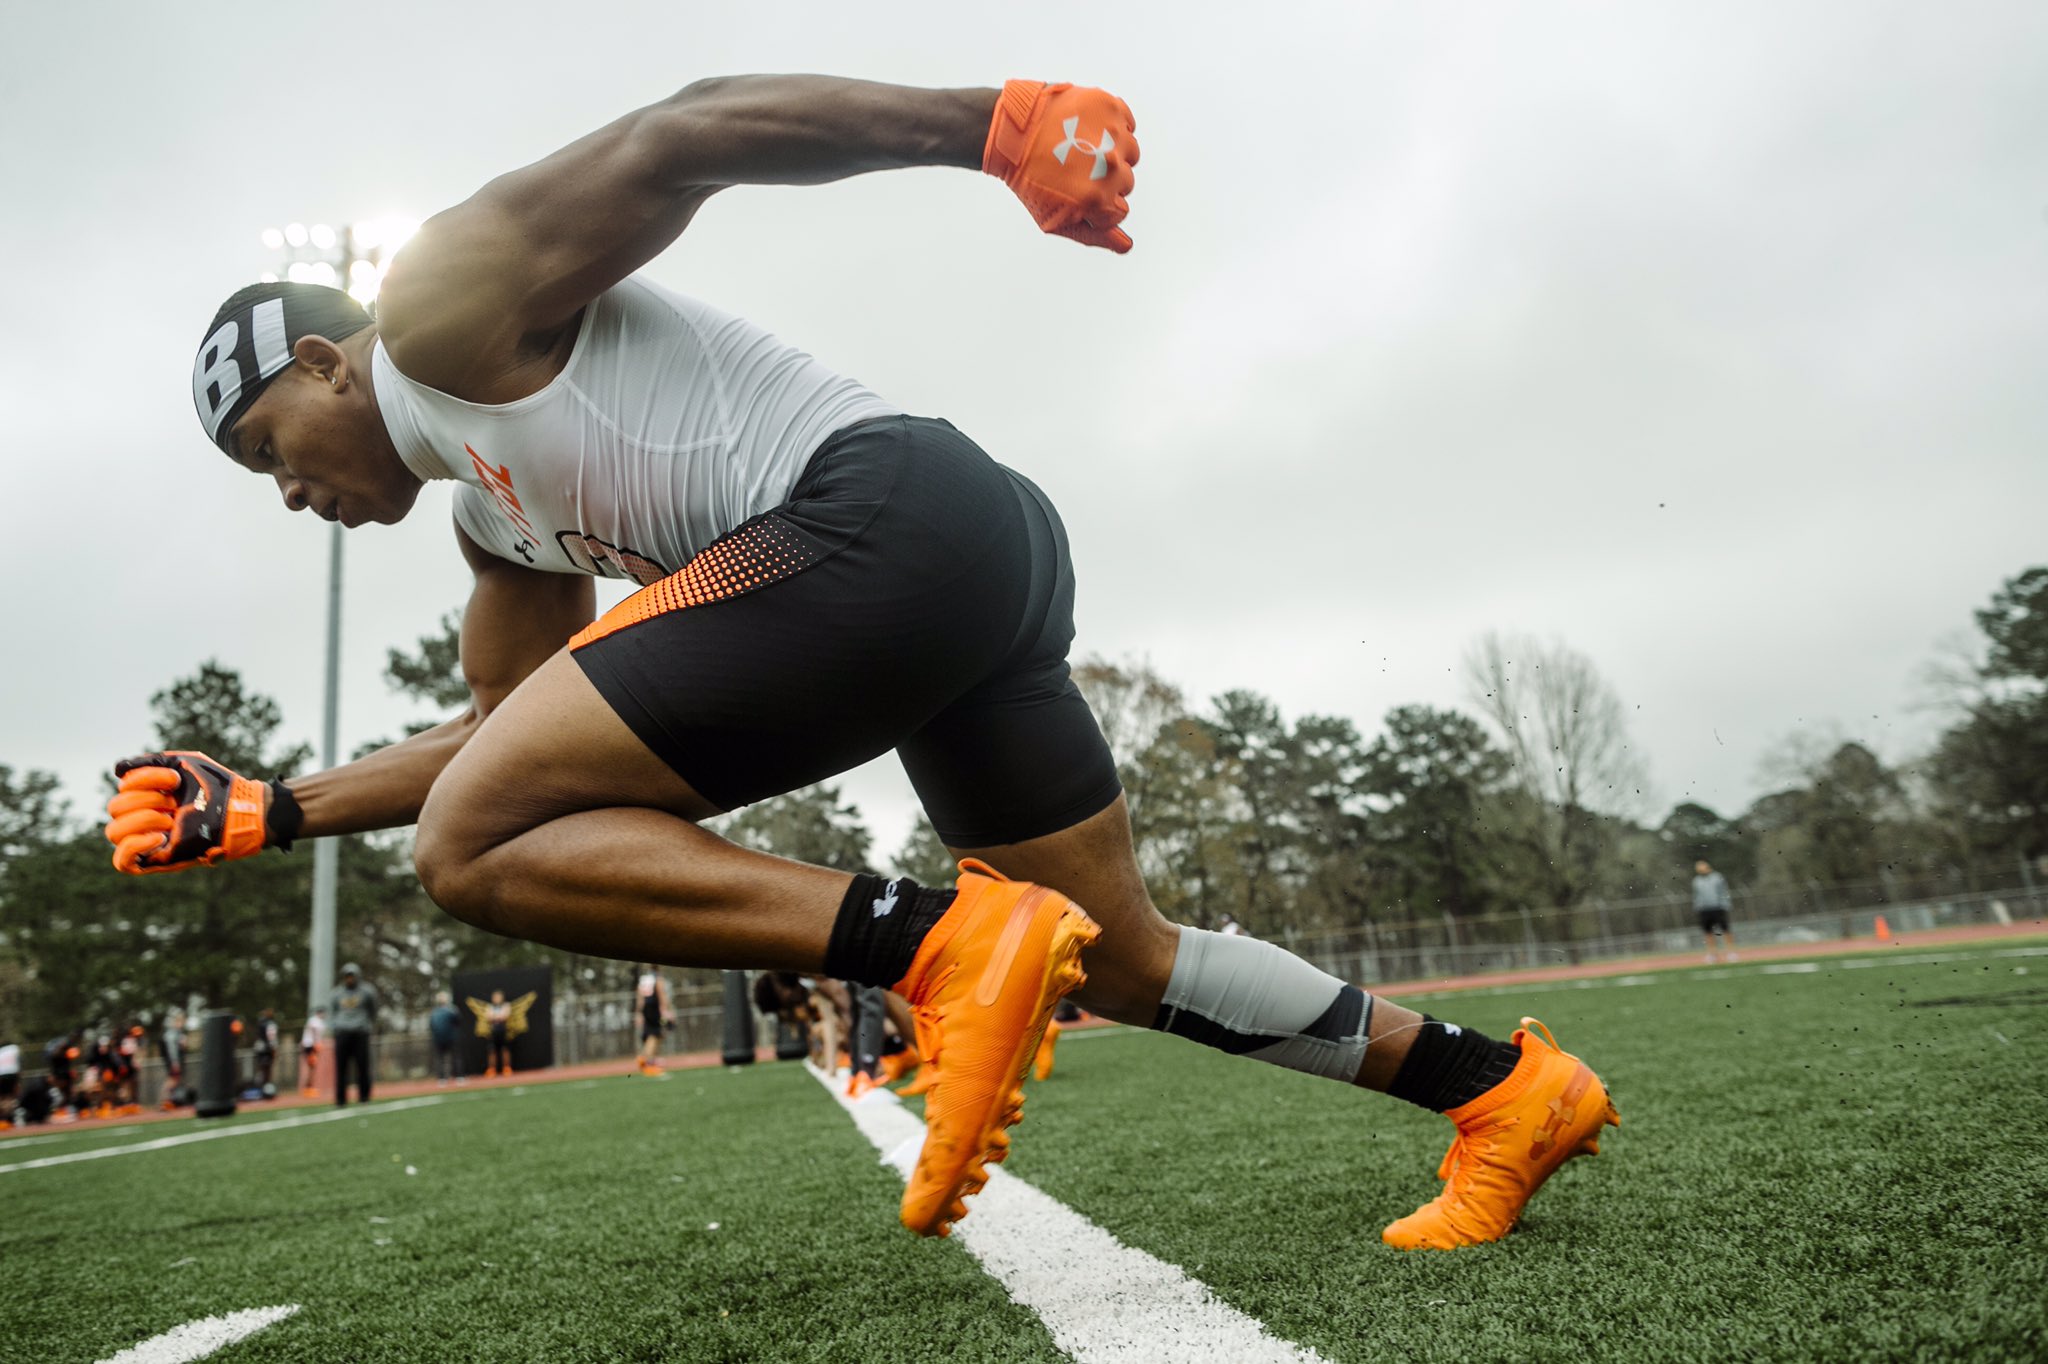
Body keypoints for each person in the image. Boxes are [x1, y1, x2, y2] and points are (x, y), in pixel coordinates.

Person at [103, 73, 1615, 1248]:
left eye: (267, 453)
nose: (291, 493)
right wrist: (279, 808)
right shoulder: (499, 531)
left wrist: (995, 128)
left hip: (878, 516)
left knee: (473, 850)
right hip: (968, 560)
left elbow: (680, 135)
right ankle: (1502, 1090)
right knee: (1129, 960)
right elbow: (506, 743)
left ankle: (939, 947)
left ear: (318, 362)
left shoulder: (433, 311)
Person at [329, 964, 378, 1105]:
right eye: (347, 976)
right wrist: (336, 1027)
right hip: (342, 1033)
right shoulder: (336, 993)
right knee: (341, 1067)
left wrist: (366, 1025)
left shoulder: (367, 991)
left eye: (352, 976)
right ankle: (340, 1099)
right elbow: (333, 1012)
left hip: (360, 1033)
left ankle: (364, 1097)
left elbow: (373, 1010)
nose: (350, 979)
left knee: (362, 1066)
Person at [1692, 860, 1739, 963]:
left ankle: (1731, 952)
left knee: (1725, 930)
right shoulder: (1697, 881)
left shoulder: (1717, 877)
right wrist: (1698, 907)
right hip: (1704, 910)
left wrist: (1725, 904)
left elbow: (1724, 891)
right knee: (1708, 932)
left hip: (1718, 908)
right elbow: (1697, 896)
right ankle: (1712, 954)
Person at [633, 965, 673, 1075]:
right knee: (654, 1035)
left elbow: (640, 998)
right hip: (654, 1009)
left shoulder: (644, 979)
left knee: (656, 1034)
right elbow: (661, 995)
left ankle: (651, 1059)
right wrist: (666, 1011)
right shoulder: (657, 978)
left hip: (646, 1009)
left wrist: (639, 1013)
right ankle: (647, 1061)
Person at [428, 990, 464, 1086]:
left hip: (450, 1038)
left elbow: (458, 1021)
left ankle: (458, 1077)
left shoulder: (451, 1009)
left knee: (455, 1057)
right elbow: (432, 1025)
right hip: (441, 1039)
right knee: (441, 1059)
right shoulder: (436, 1011)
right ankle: (442, 1078)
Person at [483, 989, 514, 1077]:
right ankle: (492, 1069)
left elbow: (505, 1016)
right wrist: (497, 1017)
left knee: (505, 1050)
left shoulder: (506, 1005)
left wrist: (495, 1017)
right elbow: (488, 1017)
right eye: (495, 997)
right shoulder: (490, 1006)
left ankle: (506, 1068)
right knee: (492, 1051)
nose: (496, 999)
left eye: (498, 997)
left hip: (503, 1031)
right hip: (493, 1031)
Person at [250, 1009, 281, 1094]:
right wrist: (274, 1049)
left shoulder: (260, 1023)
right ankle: (267, 1089)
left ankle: (262, 1087)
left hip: (260, 1048)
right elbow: (272, 1037)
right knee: (268, 1069)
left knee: (262, 1068)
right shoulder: (271, 1024)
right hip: (267, 1049)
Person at [298, 1008, 325, 1097]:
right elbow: (313, 1030)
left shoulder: (316, 1021)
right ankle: (308, 1088)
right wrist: (315, 1043)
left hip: (310, 1045)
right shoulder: (315, 1020)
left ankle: (309, 1087)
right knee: (312, 1067)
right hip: (310, 1046)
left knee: (312, 1067)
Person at [0, 1039, 19, 1129]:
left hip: (2, 1074)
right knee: (9, 1098)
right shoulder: (14, 1048)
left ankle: (4, 1119)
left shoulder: (2, 1051)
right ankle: (6, 1119)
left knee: (3, 1098)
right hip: (11, 1074)